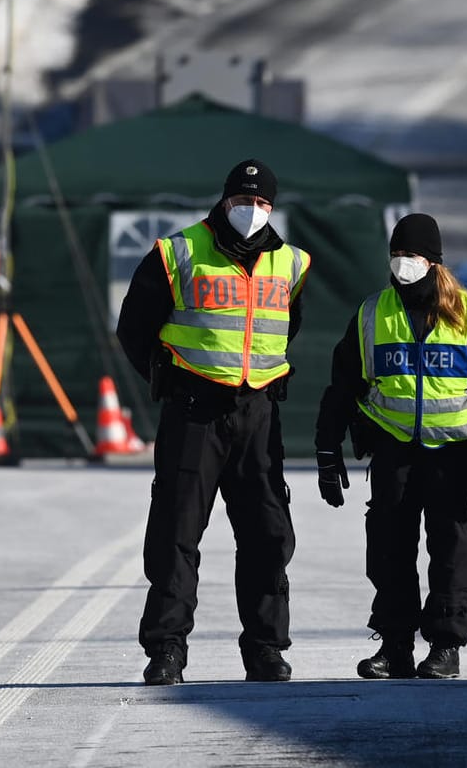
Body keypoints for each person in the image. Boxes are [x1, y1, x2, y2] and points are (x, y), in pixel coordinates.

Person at [116, 158, 311, 685]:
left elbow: (285, 327)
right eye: (244, 201)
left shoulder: (291, 263)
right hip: (195, 411)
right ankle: (167, 650)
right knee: (176, 533)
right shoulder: (178, 253)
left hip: (258, 414)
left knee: (269, 536)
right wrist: (166, 376)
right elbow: (134, 326)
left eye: (263, 203)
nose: (252, 211)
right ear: (225, 202)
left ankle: (266, 650)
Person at [314, 212, 467, 679]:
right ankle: (395, 644)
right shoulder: (371, 314)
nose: (404, 263)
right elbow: (342, 386)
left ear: (434, 261)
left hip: (454, 455)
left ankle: (445, 647)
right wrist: (328, 449)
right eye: (398, 254)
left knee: (452, 550)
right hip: (394, 450)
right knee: (389, 550)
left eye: (414, 255)